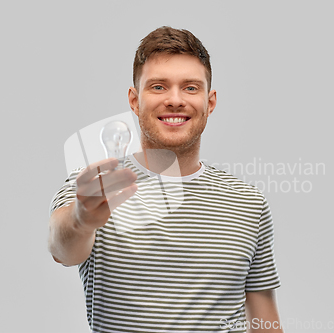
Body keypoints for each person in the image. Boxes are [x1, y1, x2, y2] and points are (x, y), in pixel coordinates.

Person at [48, 26, 284, 333]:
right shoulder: (95, 189)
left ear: (210, 102)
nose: (175, 100)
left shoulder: (248, 203)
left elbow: (265, 322)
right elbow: (61, 248)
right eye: (158, 87)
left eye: (190, 88)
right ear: (134, 101)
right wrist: (81, 219)